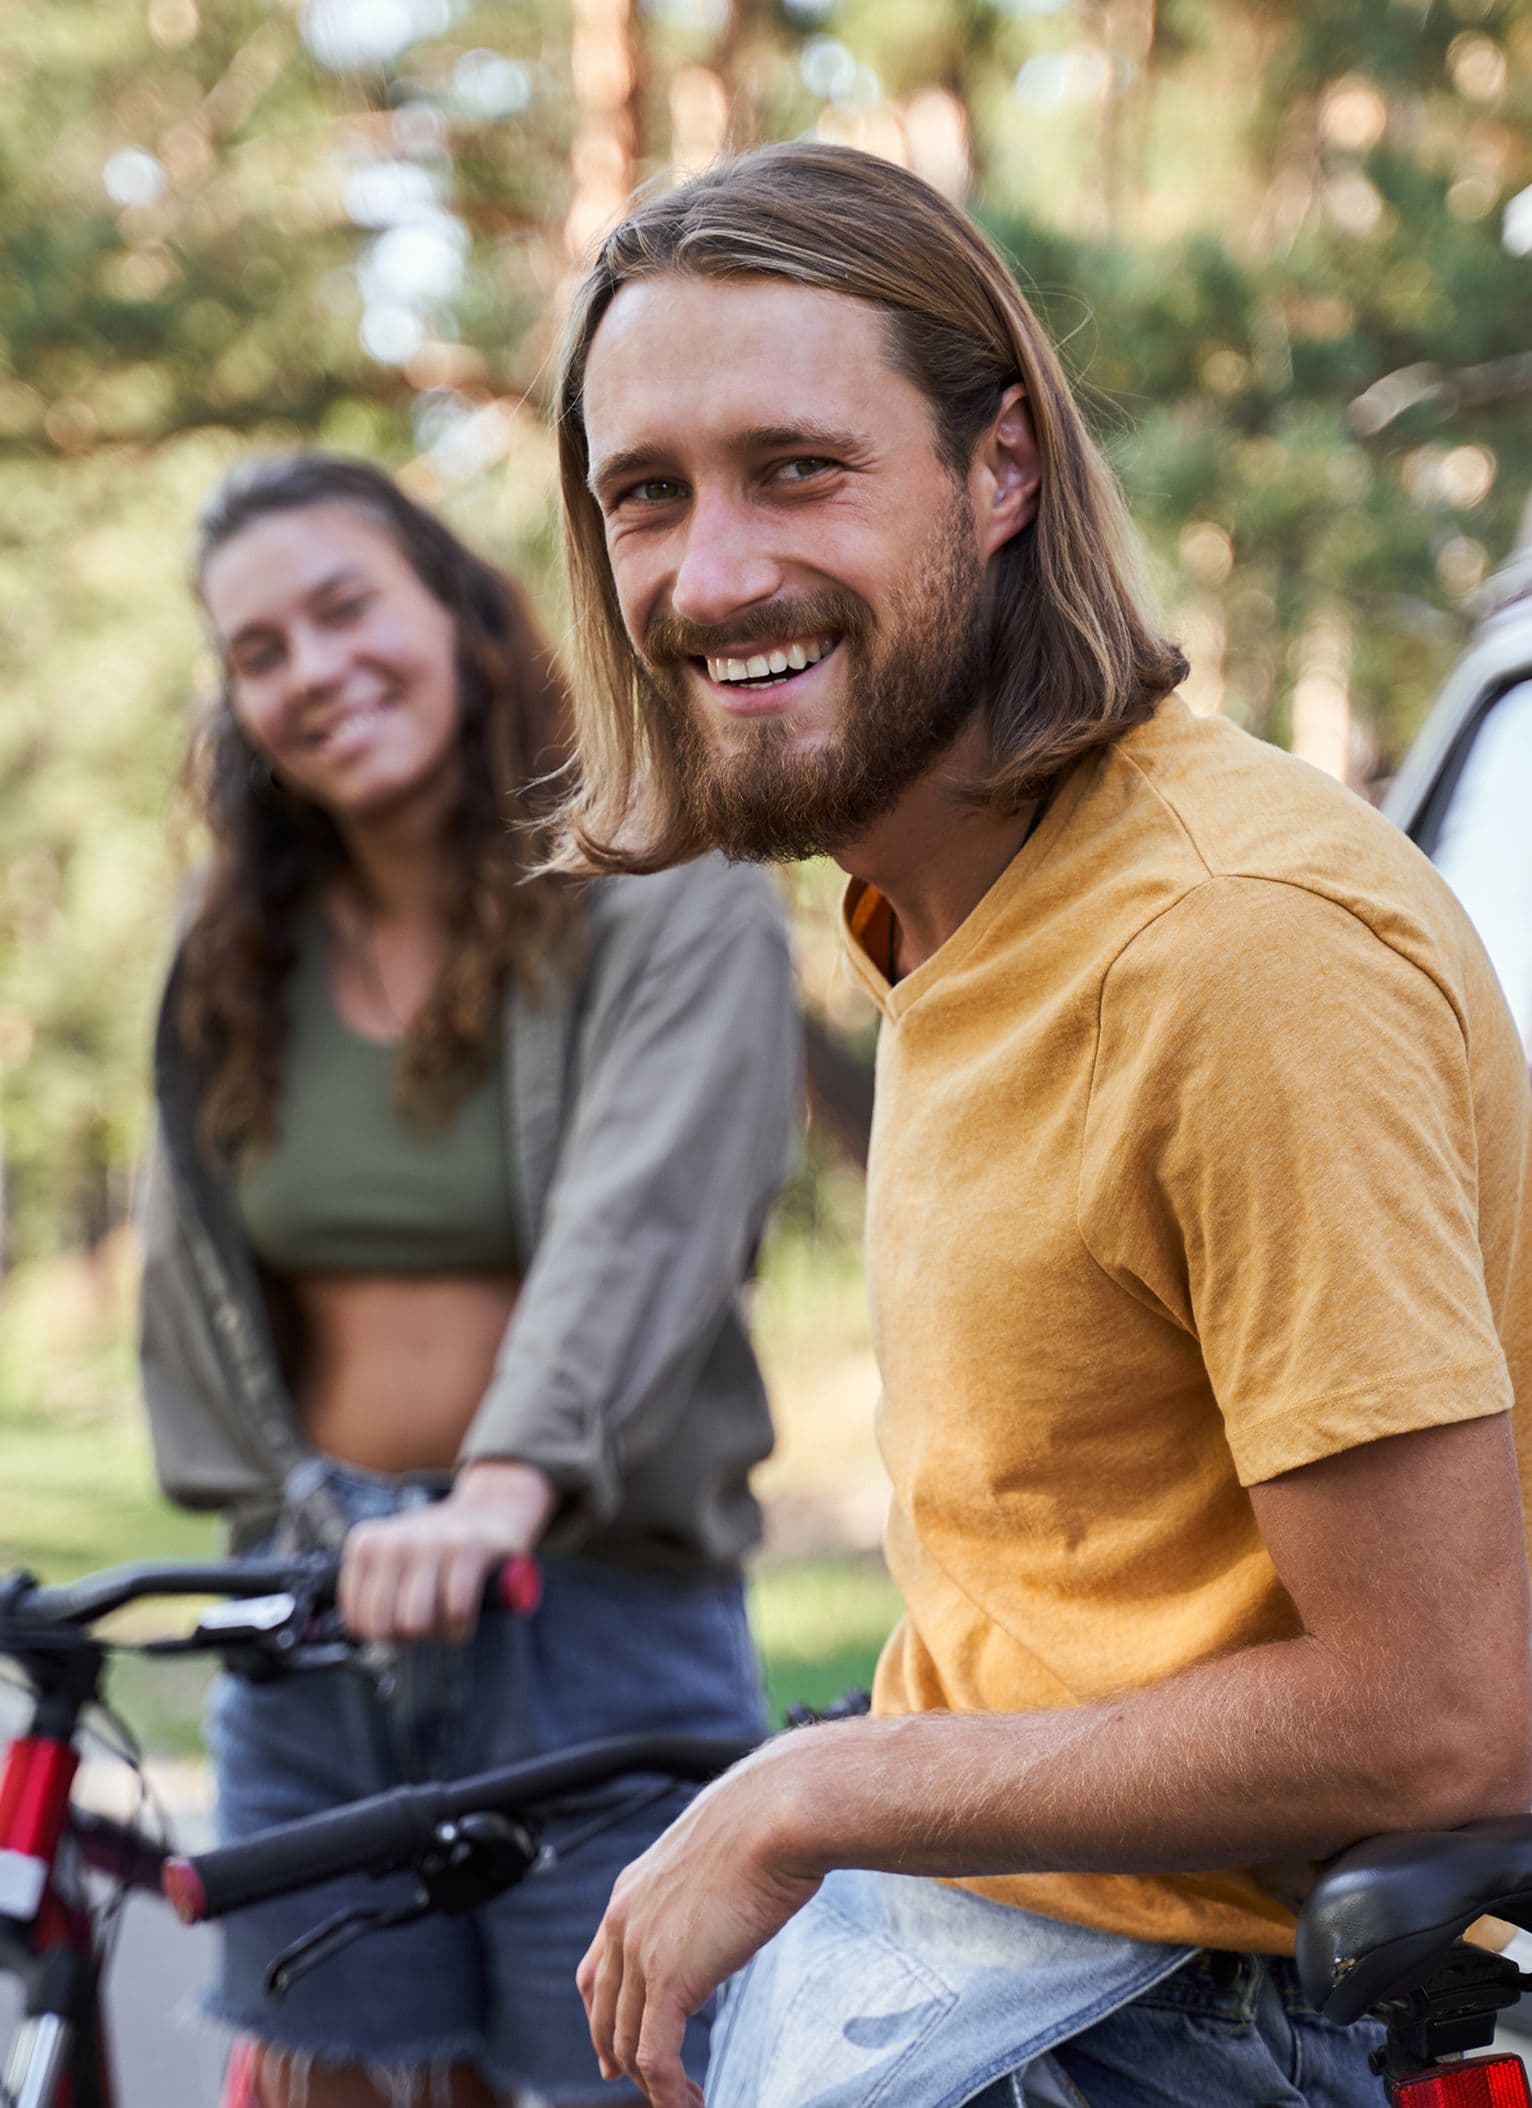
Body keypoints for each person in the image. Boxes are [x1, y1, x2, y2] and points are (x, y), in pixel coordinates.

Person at [545, 145, 1532, 2108]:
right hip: (1000, 1963)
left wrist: (815, 1788)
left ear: (1001, 471)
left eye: (794, 466)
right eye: (645, 494)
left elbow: (1441, 1715)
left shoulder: (1224, 944)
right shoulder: (965, 894)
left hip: (1192, 2034)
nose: (711, 572)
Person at [136, 453, 801, 2108]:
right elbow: (198, 1279)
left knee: (620, 2076)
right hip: (312, 1606)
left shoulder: (666, 886)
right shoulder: (234, 943)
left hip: (590, 1609)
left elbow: (643, 1223)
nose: (312, 668)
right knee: (326, 2082)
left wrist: (498, 1495)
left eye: (347, 606)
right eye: (260, 648)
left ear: (455, 610)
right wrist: (295, 1518)